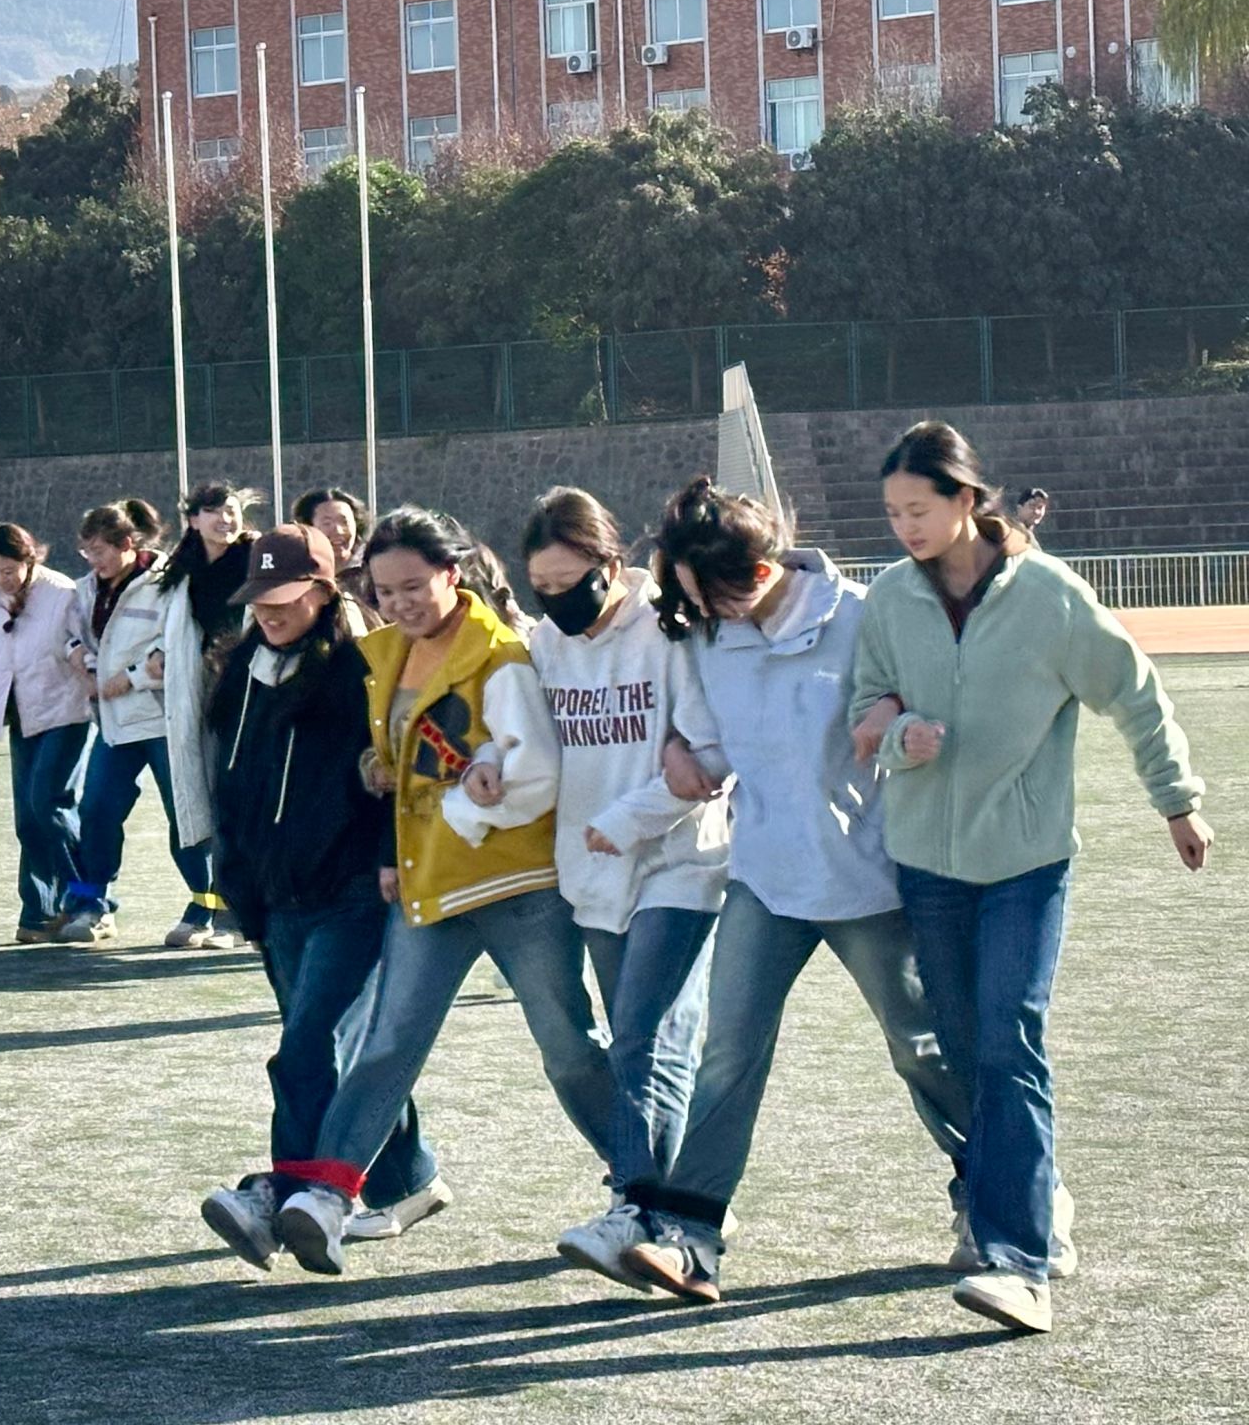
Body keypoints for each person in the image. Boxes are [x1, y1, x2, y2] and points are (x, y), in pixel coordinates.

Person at [850, 421, 1211, 1336]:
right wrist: (899, 737)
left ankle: (1019, 1262)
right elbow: (865, 706)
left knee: (1009, 1037)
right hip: (928, 865)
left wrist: (1177, 801)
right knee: (967, 1047)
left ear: (967, 499)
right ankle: (1026, 1204)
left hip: (1026, 863)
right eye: (893, 513)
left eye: (919, 508)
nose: (905, 527)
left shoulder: (1050, 596)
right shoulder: (889, 598)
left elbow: (1134, 693)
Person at [610, 476, 974, 1304]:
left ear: (763, 565)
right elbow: (718, 744)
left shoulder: (863, 616)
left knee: (919, 1048)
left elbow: (929, 713)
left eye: (718, 594)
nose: (709, 612)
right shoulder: (708, 635)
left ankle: (997, 1195)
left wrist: (902, 721)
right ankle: (692, 1237)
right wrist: (683, 754)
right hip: (764, 878)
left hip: (871, 878)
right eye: (695, 598)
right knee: (729, 1053)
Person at [270, 507, 614, 1278]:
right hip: (431, 883)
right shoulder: (385, 653)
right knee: (387, 1043)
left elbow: (535, 776)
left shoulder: (500, 655)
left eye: (413, 586)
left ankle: (645, 1187)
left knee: (568, 1048)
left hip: (519, 887)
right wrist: (384, 783)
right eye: (384, 591)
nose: (399, 603)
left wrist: (454, 806)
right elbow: (410, 764)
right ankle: (327, 1196)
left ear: (452, 575)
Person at [199, 524, 448, 1270]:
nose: (270, 612)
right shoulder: (240, 673)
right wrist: (236, 885)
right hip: (275, 897)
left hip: (355, 889)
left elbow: (389, 777)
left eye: (286, 597)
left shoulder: (364, 668)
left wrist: (384, 859)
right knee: (332, 1049)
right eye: (260, 598)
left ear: (324, 590)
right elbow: (231, 787)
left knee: (308, 1047)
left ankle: (284, 1196)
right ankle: (410, 1178)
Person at [497, 487, 727, 1292]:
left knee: (645, 1039)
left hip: (680, 863)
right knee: (606, 1055)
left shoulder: (668, 631)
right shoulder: (545, 648)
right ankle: (675, 1215)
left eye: (569, 584)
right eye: (541, 588)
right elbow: (527, 744)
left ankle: (636, 1207)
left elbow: (708, 756)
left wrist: (630, 818)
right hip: (590, 872)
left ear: (608, 563)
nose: (555, 602)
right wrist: (490, 770)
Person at [59, 500, 213, 945]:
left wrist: (130, 678)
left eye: (100, 550)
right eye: (87, 551)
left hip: (163, 721)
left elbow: (175, 645)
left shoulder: (168, 583)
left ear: (127, 543)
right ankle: (94, 906)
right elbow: (72, 634)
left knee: (184, 815)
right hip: (115, 725)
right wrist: (80, 659)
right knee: (96, 811)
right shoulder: (87, 589)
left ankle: (207, 908)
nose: (93, 560)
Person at [0, 523, 94, 942]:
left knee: (49, 804)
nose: (1, 579)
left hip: (66, 713)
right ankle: (39, 911)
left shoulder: (62, 594)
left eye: (8, 570)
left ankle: (88, 900)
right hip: (22, 718)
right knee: (28, 819)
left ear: (30, 560)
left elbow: (86, 644)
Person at [153, 482, 261, 949]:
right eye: (213, 511)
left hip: (256, 697)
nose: (225, 519)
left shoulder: (258, 559)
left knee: (244, 807)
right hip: (206, 702)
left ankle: (239, 916)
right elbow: (167, 629)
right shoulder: (182, 571)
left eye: (231, 509)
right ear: (193, 519)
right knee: (218, 807)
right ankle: (224, 911)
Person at [291, 485, 380, 628]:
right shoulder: (300, 576)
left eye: (344, 522)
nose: (338, 530)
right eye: (327, 523)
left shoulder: (373, 569)